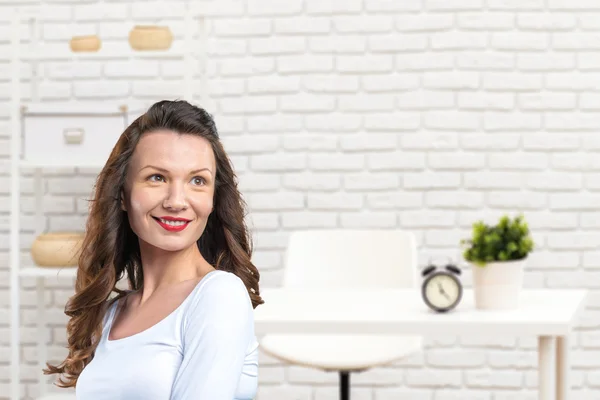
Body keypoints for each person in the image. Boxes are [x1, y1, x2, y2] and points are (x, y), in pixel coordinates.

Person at [43, 100, 264, 399]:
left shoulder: (219, 295)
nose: (176, 200)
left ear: (213, 199)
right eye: (157, 177)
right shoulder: (111, 314)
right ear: (123, 194)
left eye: (197, 180)